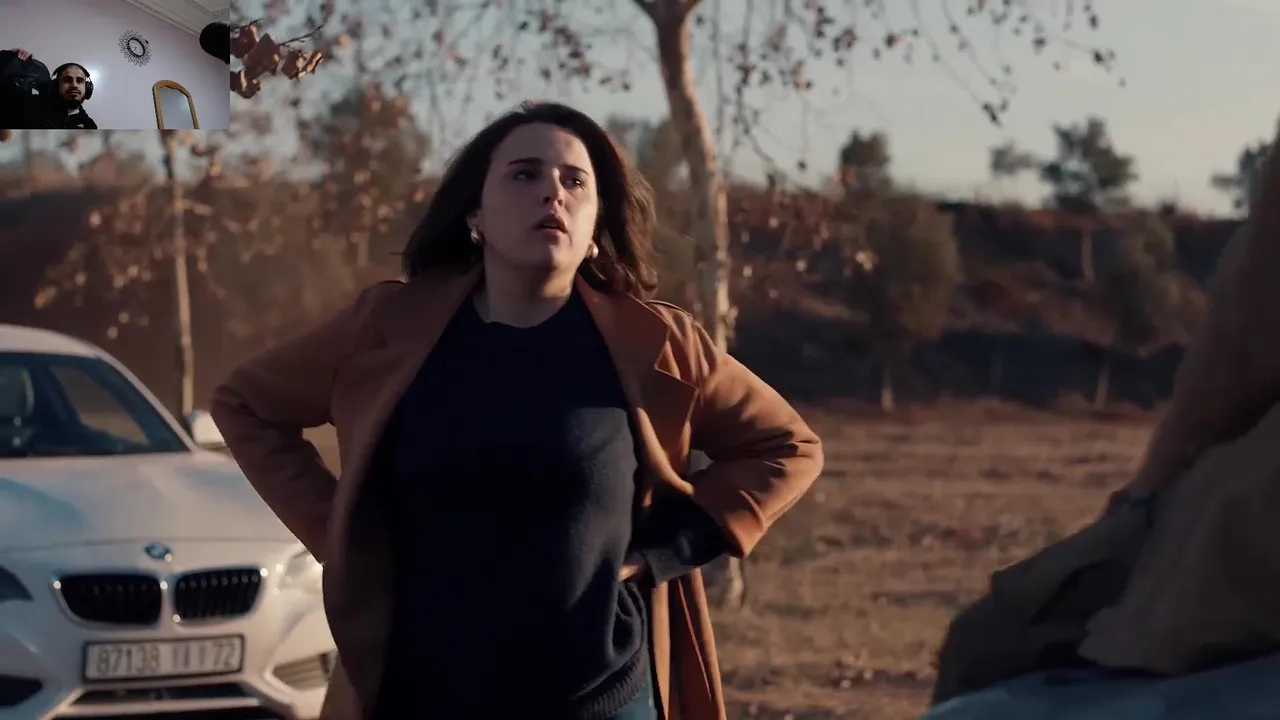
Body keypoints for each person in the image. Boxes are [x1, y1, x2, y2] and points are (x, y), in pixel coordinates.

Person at [209, 100, 824, 720]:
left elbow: (787, 447)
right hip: (424, 695)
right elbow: (246, 404)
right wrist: (342, 535)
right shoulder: (386, 328)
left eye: (574, 181)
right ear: (475, 213)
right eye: (525, 174)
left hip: (600, 696)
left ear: (595, 224)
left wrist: (666, 547)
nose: (552, 193)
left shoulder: (660, 345)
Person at [1, 48, 97, 129]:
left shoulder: (89, 126)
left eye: (80, 81)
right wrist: (8, 57)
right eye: (67, 80)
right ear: (56, 86)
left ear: (87, 88)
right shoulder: (29, 104)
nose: (74, 85)